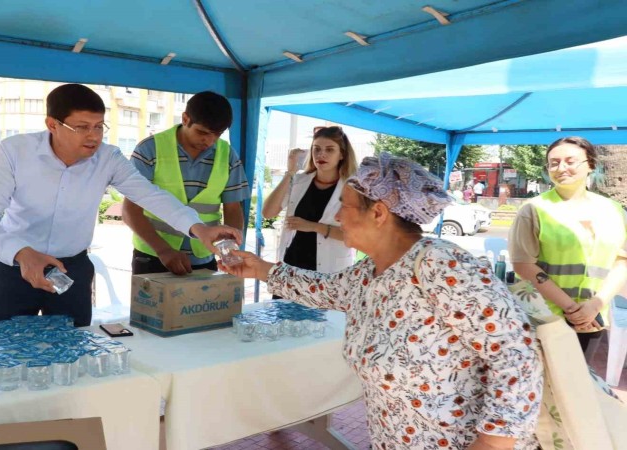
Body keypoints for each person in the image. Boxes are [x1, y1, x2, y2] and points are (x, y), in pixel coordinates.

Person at [220, 153, 542, 450]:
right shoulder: (369, 270)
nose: (335, 215)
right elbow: (325, 288)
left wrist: (491, 443)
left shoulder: (441, 264)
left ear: (378, 213)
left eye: (343, 206)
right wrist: (260, 269)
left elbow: (517, 352)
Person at [0, 84, 240, 327]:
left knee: (73, 355)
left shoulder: (108, 157)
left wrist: (198, 229)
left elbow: (151, 195)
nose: (94, 136)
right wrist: (21, 253)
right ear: (52, 124)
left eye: (99, 126)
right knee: (4, 349)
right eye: (82, 127)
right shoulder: (15, 151)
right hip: (14, 267)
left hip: (71, 270)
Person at [509, 136, 627, 355]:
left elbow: (622, 262)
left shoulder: (613, 210)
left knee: (580, 384)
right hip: (543, 318)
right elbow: (523, 265)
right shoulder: (534, 209)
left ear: (590, 164)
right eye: (553, 163)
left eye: (570, 161)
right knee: (544, 385)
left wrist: (592, 307)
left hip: (591, 320)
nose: (561, 168)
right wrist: (572, 309)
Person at [123, 91, 250, 275]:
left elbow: (233, 208)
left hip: (204, 256)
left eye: (217, 134)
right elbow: (130, 211)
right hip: (152, 255)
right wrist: (163, 250)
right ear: (185, 119)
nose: (209, 140)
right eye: (202, 132)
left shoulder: (227, 155)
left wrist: (230, 253)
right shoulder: (150, 149)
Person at [262, 126, 357, 277]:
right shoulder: (299, 181)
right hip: (291, 266)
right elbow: (268, 213)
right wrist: (290, 173)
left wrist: (313, 227)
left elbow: (356, 237)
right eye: (316, 149)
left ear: (342, 155)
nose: (321, 154)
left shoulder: (353, 188)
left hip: (329, 271)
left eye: (330, 149)